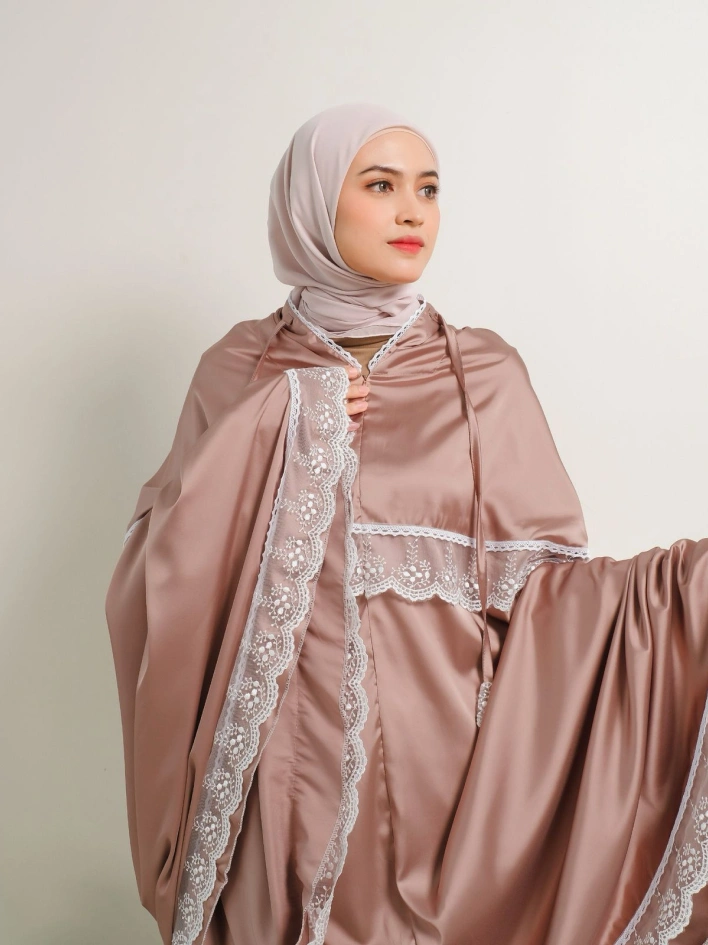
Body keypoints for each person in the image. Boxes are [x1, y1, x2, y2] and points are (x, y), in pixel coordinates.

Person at [105, 102, 708, 945]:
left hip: (446, 778)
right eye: (380, 185)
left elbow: (553, 603)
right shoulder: (241, 370)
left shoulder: (483, 373)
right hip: (275, 773)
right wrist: (287, 419)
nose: (412, 211)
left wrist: (683, 590)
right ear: (313, 204)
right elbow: (161, 575)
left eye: (428, 189)